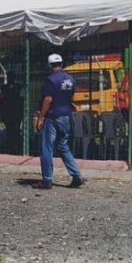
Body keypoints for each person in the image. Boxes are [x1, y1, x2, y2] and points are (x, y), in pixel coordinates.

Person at [33, 54, 84, 189]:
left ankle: (47, 179)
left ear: (50, 65)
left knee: (47, 148)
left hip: (53, 116)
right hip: (66, 116)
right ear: (62, 63)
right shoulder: (70, 79)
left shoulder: (50, 80)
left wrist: (40, 117)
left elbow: (48, 100)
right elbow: (70, 97)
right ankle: (76, 175)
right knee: (63, 146)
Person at [0, 71, 22, 154]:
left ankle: (17, 147)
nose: (10, 79)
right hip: (7, 112)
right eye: (9, 77)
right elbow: (1, 100)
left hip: (16, 111)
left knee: (16, 130)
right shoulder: (3, 87)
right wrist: (1, 112)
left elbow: (21, 100)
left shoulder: (18, 87)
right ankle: (9, 148)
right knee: (8, 130)